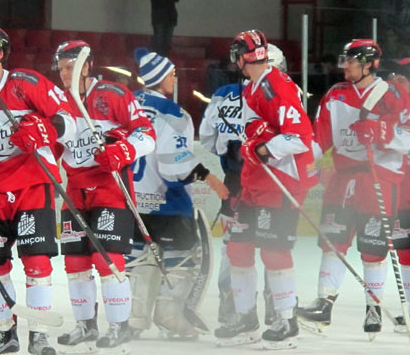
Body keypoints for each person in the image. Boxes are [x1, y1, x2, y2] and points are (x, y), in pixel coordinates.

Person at [0, 24, 76, 355]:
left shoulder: (27, 83)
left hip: (30, 185)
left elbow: (70, 121)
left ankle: (38, 335)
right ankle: (4, 333)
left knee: (37, 260)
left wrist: (44, 130)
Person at [297, 39, 410, 336]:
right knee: (333, 240)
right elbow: (319, 139)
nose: (345, 66)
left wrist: (381, 132)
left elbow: (407, 137)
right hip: (343, 178)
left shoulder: (393, 95)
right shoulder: (335, 95)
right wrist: (302, 167)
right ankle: (324, 304)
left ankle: (372, 308)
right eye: (344, 60)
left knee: (373, 248)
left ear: (370, 63)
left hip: (379, 178)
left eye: (351, 61)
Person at [213, 30, 317, 349]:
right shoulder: (252, 87)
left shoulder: (277, 87)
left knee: (273, 250)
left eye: (237, 54)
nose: (235, 61)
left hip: (281, 182)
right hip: (255, 182)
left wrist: (262, 147)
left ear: (246, 56)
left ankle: (286, 319)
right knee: (239, 248)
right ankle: (246, 316)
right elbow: (254, 134)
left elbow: (300, 136)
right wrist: (252, 141)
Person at [52, 41, 155, 352]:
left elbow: (146, 134)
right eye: (61, 68)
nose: (64, 73)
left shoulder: (114, 94)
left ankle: (118, 326)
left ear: (87, 66)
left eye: (70, 66)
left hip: (110, 187)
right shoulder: (59, 101)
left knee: (107, 259)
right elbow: (53, 146)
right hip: (75, 191)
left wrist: (123, 150)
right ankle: (85, 324)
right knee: (75, 261)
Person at [128, 48, 228, 340]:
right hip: (168, 206)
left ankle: (134, 318)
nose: (175, 79)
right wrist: (210, 178)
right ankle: (169, 317)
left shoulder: (126, 105)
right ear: (159, 79)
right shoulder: (175, 114)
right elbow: (175, 167)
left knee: (137, 260)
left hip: (131, 203)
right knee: (183, 259)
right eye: (171, 74)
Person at [200, 43, 290, 327]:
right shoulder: (284, 91)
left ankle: (232, 308)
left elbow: (209, 142)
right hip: (272, 182)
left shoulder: (222, 95)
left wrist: (229, 142)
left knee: (234, 246)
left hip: (235, 182)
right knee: (273, 246)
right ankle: (277, 308)